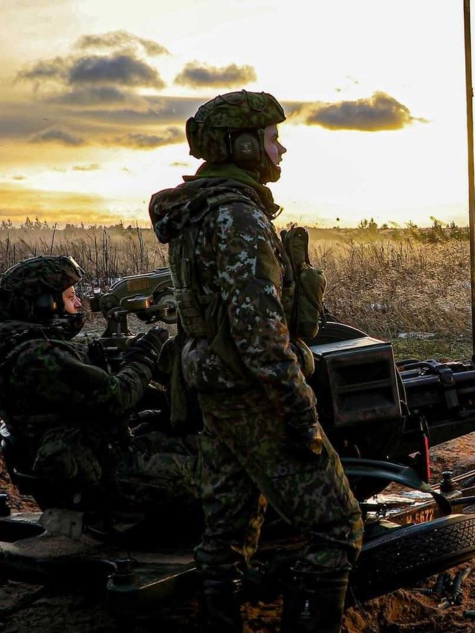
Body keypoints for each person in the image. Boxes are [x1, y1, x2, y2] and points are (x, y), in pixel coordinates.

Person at [148, 90, 361, 633]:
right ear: (242, 146)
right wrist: (300, 410)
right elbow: (260, 335)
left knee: (227, 534)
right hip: (256, 395)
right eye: (272, 138)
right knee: (337, 526)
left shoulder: (198, 211)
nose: (280, 149)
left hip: (218, 392)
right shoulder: (239, 218)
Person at [0, 255, 197, 523]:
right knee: (217, 469)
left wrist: (159, 405)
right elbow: (117, 396)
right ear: (45, 304)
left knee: (190, 441)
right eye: (70, 296)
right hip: (99, 475)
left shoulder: (12, 343)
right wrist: (145, 355)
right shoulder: (37, 357)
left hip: (89, 454)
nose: (78, 304)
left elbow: (90, 397)